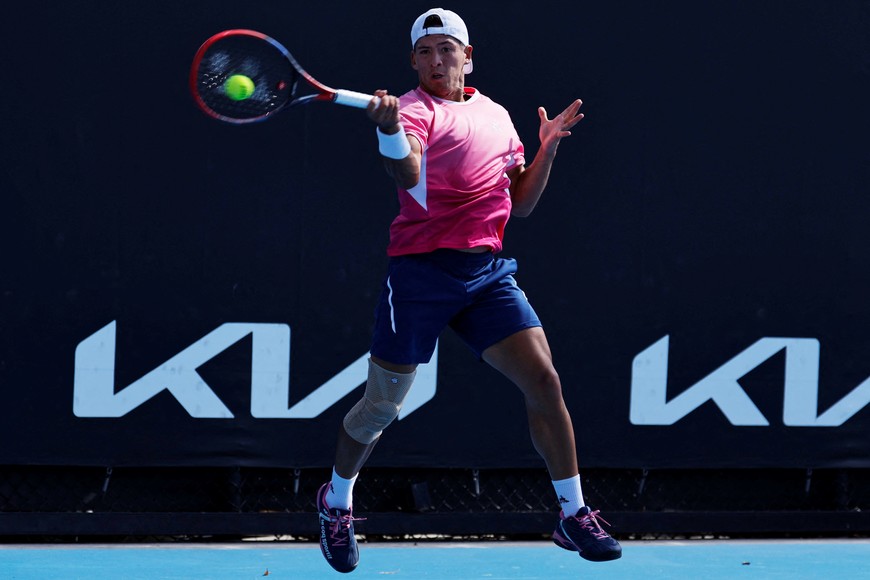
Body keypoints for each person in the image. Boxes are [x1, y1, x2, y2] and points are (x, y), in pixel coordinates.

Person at [316, 7, 622, 573]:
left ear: (467, 56)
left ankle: (572, 514)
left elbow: (521, 204)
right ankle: (336, 500)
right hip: (420, 274)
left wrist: (548, 145)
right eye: (426, 51)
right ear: (413, 61)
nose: (437, 60)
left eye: (447, 49)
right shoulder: (410, 110)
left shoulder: (498, 116)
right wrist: (387, 129)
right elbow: (407, 176)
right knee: (382, 405)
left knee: (544, 379)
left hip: (485, 274)